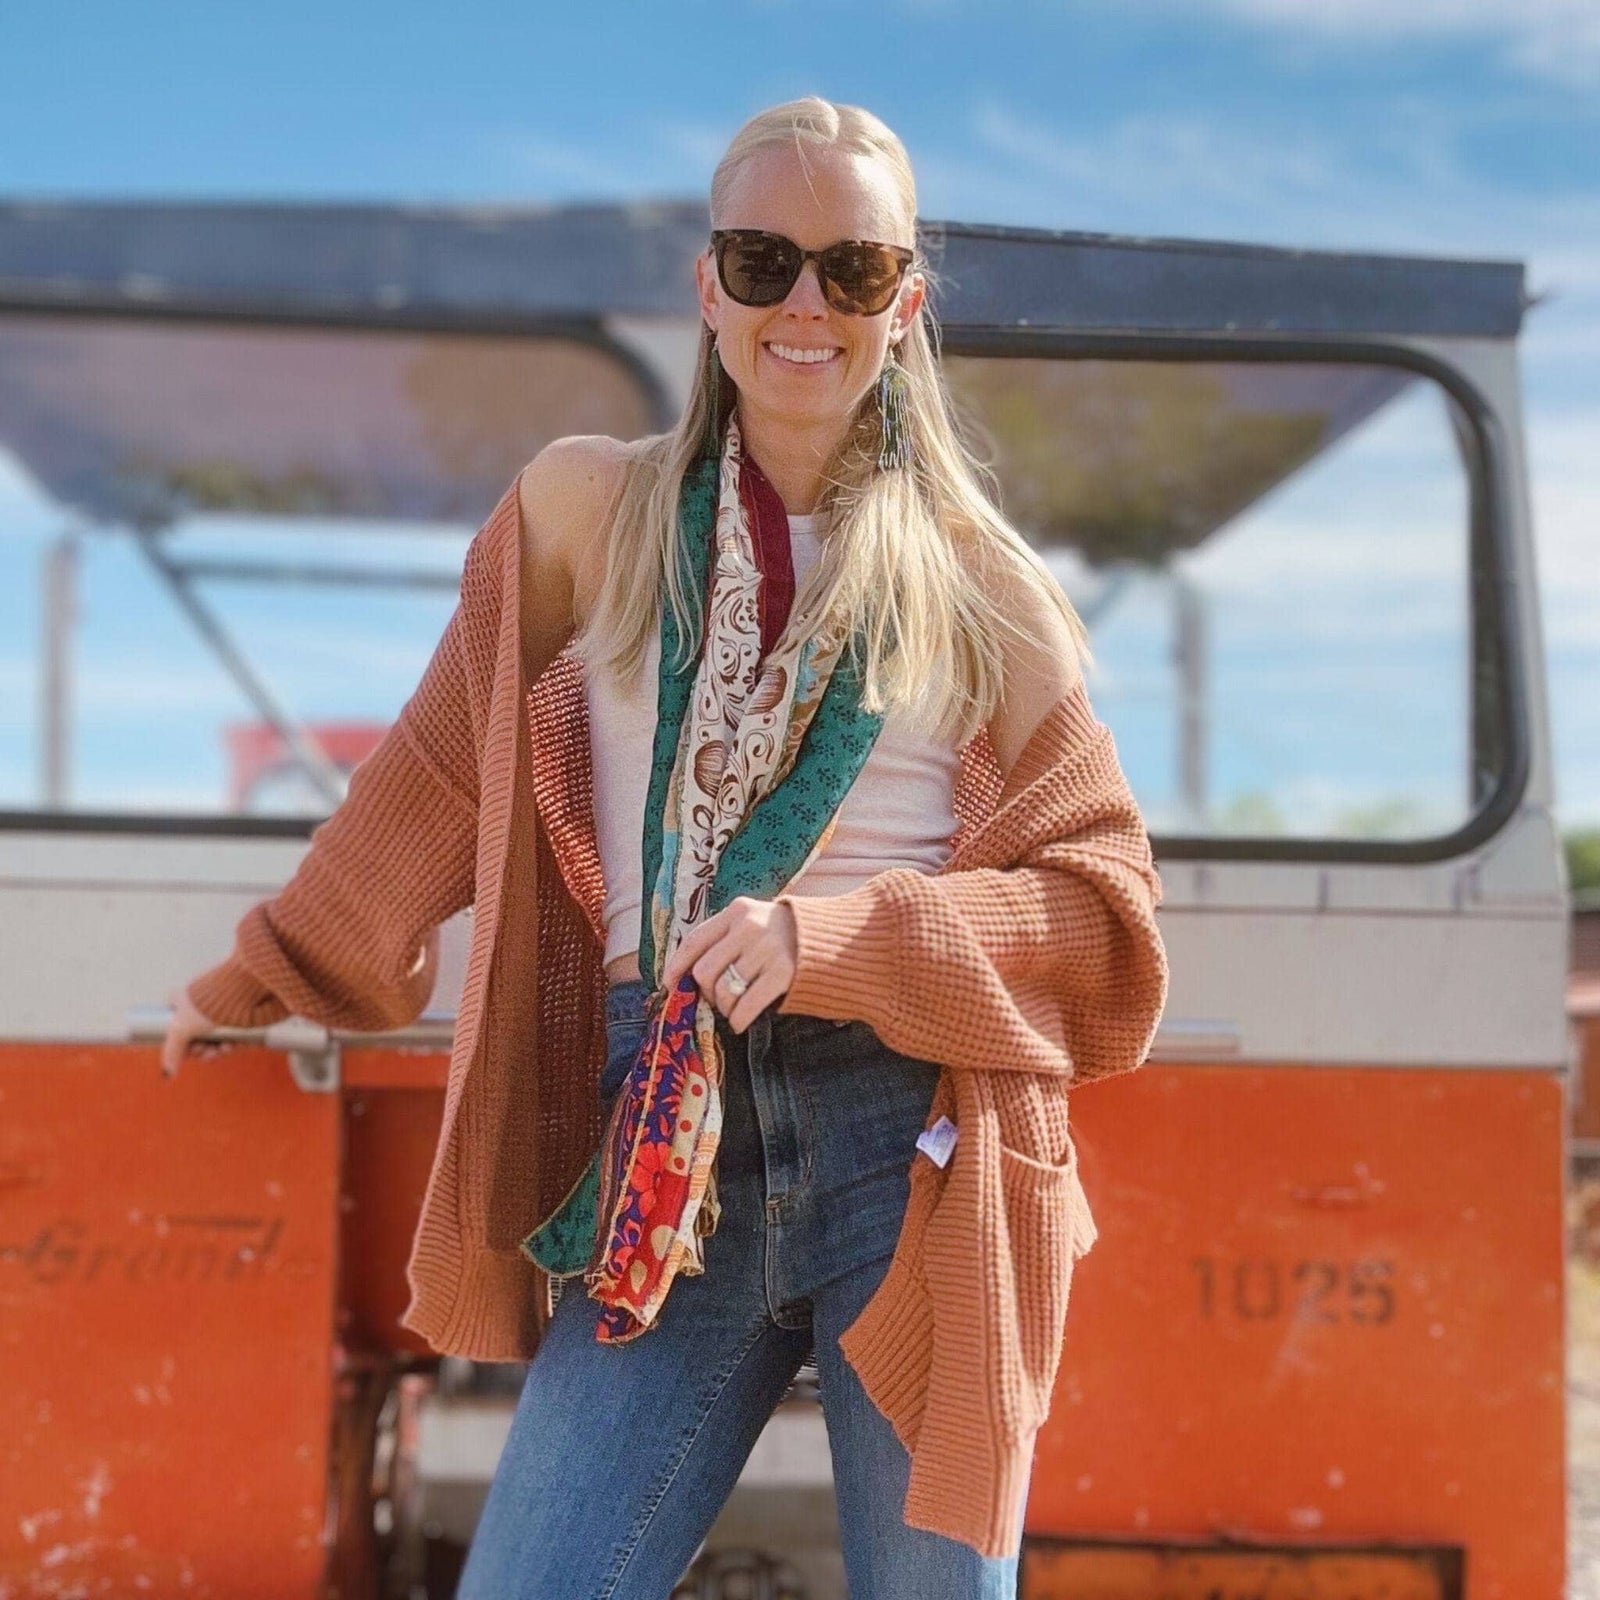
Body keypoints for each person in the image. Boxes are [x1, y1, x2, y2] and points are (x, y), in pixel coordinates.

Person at [162, 97, 1168, 1599]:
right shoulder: (588, 512)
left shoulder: (982, 584)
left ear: (908, 301)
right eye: (764, 261)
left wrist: (836, 939)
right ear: (707, 288)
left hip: (911, 1146)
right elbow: (438, 770)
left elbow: (1100, 919)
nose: (806, 306)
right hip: (664, 1142)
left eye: (855, 267)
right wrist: (263, 975)